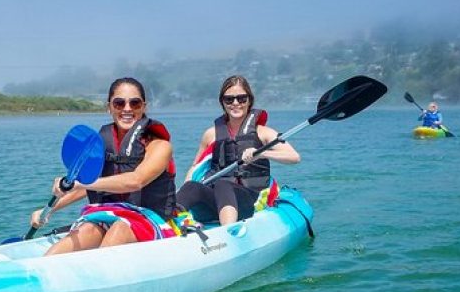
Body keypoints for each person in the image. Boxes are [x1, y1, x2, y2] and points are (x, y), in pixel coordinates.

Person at [31, 77, 177, 255]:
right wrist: (49, 210)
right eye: (119, 103)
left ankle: (98, 274)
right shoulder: (102, 146)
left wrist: (82, 183)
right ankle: (44, 268)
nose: (127, 109)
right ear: (109, 107)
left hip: (149, 218)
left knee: (119, 230)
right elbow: (90, 187)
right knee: (87, 230)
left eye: (135, 103)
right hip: (109, 213)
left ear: (144, 107)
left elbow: (136, 181)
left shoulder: (160, 146)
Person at [176, 75, 300, 226]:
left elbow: (294, 157)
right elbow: (196, 166)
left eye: (241, 98)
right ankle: (169, 225)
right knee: (191, 187)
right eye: (229, 99)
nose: (236, 103)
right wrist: (188, 184)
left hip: (249, 202)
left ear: (249, 101)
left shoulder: (263, 132)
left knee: (223, 184)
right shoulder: (211, 134)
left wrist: (261, 153)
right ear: (223, 102)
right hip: (215, 202)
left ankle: (227, 232)